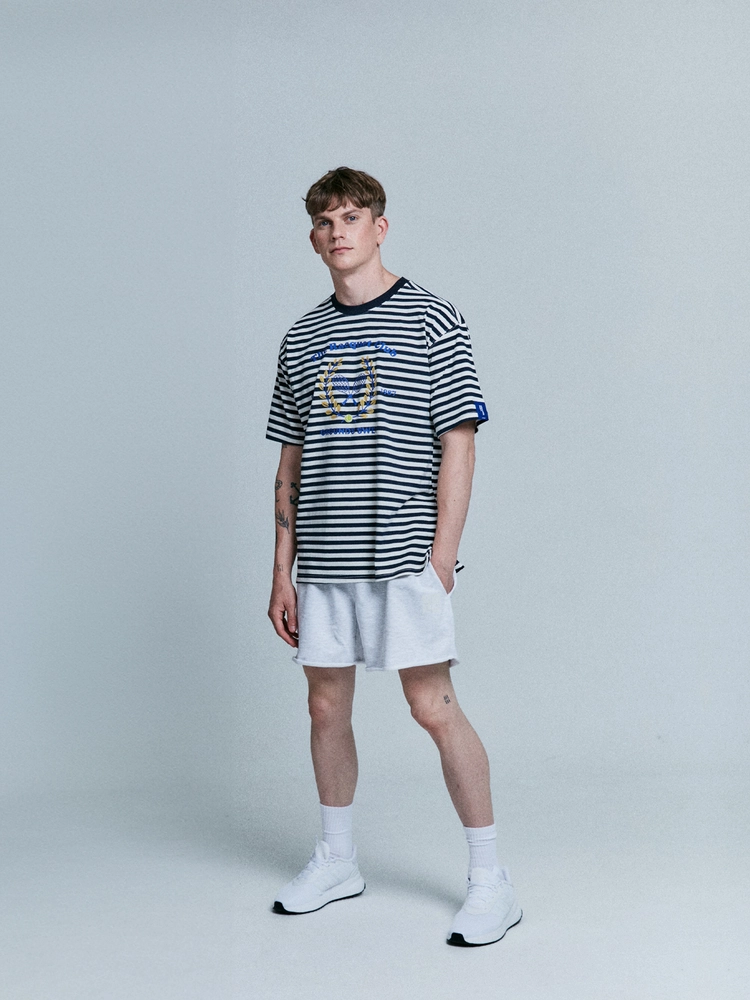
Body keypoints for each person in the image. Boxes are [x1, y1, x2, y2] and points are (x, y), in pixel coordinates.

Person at [265, 167, 521, 946]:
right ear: (313, 240)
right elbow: (290, 459)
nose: (337, 231)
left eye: (351, 216)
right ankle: (337, 860)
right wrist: (281, 570)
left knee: (431, 707)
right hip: (324, 560)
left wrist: (443, 557)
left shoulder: (433, 318)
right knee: (325, 707)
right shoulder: (300, 337)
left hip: (403, 553)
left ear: (380, 227)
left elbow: (459, 442)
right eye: (324, 221)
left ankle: (491, 881)